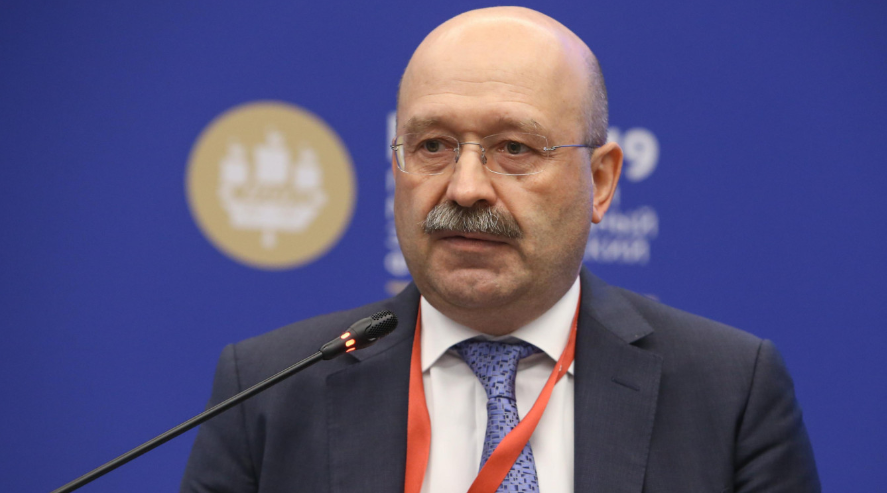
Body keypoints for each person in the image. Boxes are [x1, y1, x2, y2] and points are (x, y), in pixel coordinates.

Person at [181, 7, 819, 492]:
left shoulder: (728, 392)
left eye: (514, 148)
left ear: (600, 182)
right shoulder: (267, 390)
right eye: (433, 146)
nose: (464, 188)